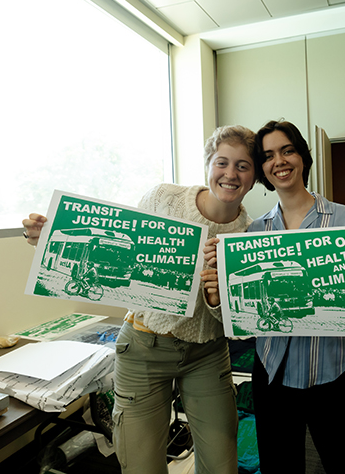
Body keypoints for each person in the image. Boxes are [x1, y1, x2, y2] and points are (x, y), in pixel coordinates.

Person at [22, 125, 259, 474]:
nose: (230, 174)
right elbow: (121, 240)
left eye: (243, 166)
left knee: (223, 466)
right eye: (222, 162)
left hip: (207, 354)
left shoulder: (251, 234)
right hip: (144, 348)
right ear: (208, 164)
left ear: (254, 177)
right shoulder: (164, 198)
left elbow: (241, 322)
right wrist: (45, 237)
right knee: (140, 465)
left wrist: (216, 295)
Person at [204, 119, 345, 474]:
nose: (279, 161)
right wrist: (219, 289)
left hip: (336, 375)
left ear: (303, 156)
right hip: (273, 375)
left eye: (288, 150)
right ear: (262, 170)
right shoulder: (254, 231)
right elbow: (239, 317)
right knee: (280, 467)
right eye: (268, 156)